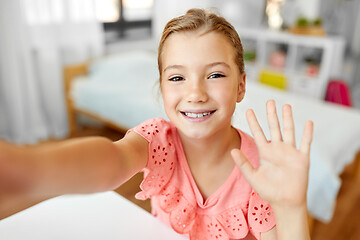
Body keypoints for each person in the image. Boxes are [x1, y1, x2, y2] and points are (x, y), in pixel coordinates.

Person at [0, 8, 313, 240]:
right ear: (162, 88)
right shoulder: (158, 141)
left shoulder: (262, 170)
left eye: (215, 74)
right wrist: (31, 171)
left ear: (241, 87)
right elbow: (113, 159)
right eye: (177, 77)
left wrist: (293, 209)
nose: (195, 93)